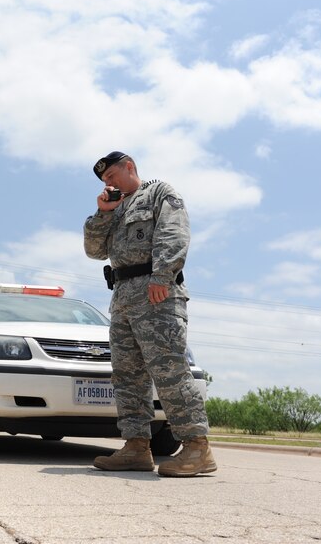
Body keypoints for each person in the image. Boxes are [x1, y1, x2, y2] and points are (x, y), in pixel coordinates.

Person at [83, 151, 216, 477]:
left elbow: (174, 234)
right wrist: (103, 212)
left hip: (156, 293)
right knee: (127, 377)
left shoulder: (159, 193)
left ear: (129, 167)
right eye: (104, 181)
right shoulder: (116, 208)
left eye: (112, 176)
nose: (108, 183)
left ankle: (198, 446)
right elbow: (94, 250)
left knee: (169, 369)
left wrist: (163, 276)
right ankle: (136, 447)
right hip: (123, 298)